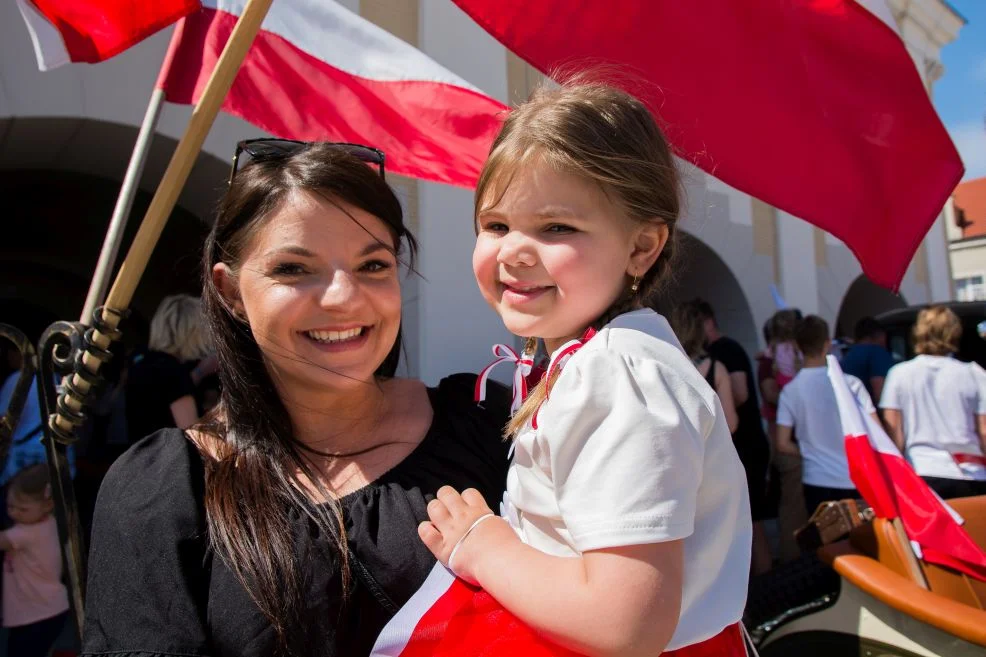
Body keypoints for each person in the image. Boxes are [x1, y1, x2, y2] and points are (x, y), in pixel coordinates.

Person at [81, 142, 513, 657]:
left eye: (373, 265)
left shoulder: (492, 422)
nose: (342, 297)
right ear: (230, 292)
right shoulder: (163, 489)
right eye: (292, 269)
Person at [418, 82, 752, 655]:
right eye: (496, 225)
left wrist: (483, 544)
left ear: (641, 247)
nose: (515, 250)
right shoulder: (594, 358)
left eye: (557, 228)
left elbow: (625, 622)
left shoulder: (620, 376)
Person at [694, 298, 773, 574]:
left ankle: (764, 580)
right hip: (739, 444)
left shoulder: (725, 350)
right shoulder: (715, 354)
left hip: (746, 444)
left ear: (707, 321)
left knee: (752, 519)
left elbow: (740, 394)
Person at [880, 306, 986, 499]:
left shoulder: (899, 374)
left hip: (921, 470)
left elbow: (894, 432)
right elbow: (984, 430)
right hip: (970, 473)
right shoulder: (974, 374)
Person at [776, 316, 876, 515]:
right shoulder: (852, 384)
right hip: (856, 476)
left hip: (816, 478)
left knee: (827, 545)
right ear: (827, 344)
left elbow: (782, 442)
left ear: (797, 345)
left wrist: (808, 449)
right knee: (860, 543)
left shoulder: (790, 390)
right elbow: (875, 432)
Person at [123, 294, 216, 443]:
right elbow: (192, 434)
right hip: (169, 459)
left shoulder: (142, 361)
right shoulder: (173, 370)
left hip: (140, 454)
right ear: (191, 333)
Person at [1, 464, 70, 657]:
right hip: (44, 610)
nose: (14, 513)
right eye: (10, 506)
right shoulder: (51, 523)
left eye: (22, 509)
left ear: (48, 505)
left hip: (37, 613)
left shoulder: (27, 533)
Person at [670, 301, 739, 433]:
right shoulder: (716, 369)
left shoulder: (662, 366)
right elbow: (730, 423)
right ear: (699, 331)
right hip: (708, 447)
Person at [840, 316, 894, 403]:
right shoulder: (877, 352)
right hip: (869, 412)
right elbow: (880, 390)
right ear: (880, 335)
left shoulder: (847, 355)